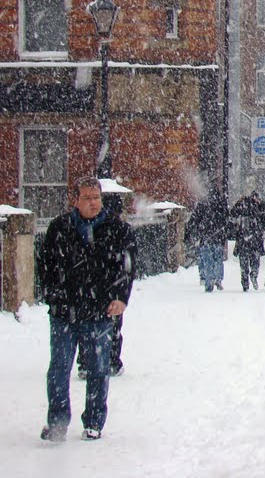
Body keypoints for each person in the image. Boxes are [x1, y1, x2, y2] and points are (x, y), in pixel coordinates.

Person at [38, 176, 137, 442]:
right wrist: (52, 295)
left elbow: (126, 267)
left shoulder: (116, 229)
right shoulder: (60, 228)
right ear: (75, 200)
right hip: (64, 311)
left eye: (97, 198)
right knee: (59, 368)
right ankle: (57, 422)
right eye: (88, 198)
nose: (93, 203)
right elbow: (45, 265)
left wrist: (120, 297)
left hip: (98, 310)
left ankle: (94, 421)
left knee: (97, 368)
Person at [76, 192, 132, 380]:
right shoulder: (119, 229)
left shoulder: (92, 229)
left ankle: (86, 362)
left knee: (88, 326)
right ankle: (111, 361)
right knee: (113, 326)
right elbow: (127, 263)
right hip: (111, 287)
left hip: (93, 287)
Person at [188, 190, 228, 292]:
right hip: (218, 237)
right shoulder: (221, 205)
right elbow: (226, 221)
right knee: (218, 259)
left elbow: (194, 220)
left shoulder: (202, 205)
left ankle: (209, 281)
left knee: (208, 260)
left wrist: (190, 232)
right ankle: (218, 278)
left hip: (206, 237)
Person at [229, 191, 264, 292]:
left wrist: (238, 203)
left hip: (243, 240)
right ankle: (253, 275)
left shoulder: (241, 206)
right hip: (255, 240)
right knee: (255, 261)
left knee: (244, 263)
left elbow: (232, 214)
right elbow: (264, 217)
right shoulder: (257, 207)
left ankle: (245, 283)